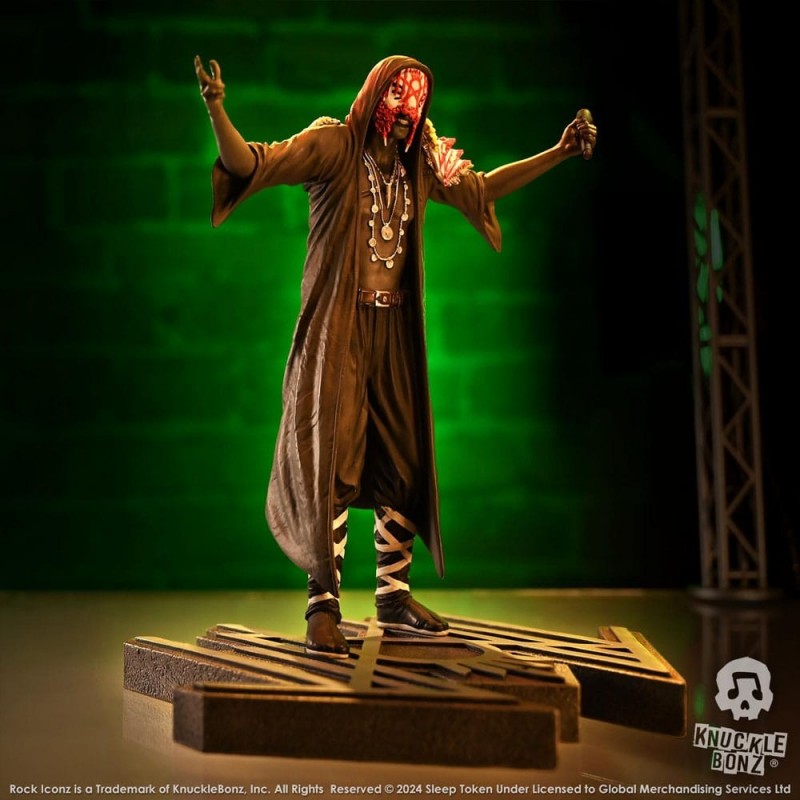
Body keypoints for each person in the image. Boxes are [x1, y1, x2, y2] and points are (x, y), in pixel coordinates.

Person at [194, 54, 596, 659]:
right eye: (397, 96)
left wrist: (560, 152)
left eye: (417, 99)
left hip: (394, 330)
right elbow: (253, 163)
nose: (408, 110)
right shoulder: (333, 146)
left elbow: (483, 189)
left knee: (405, 461)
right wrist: (216, 108)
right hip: (340, 330)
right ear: (376, 96)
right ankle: (322, 603)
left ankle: (392, 595)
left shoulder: (420, 165)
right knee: (332, 457)